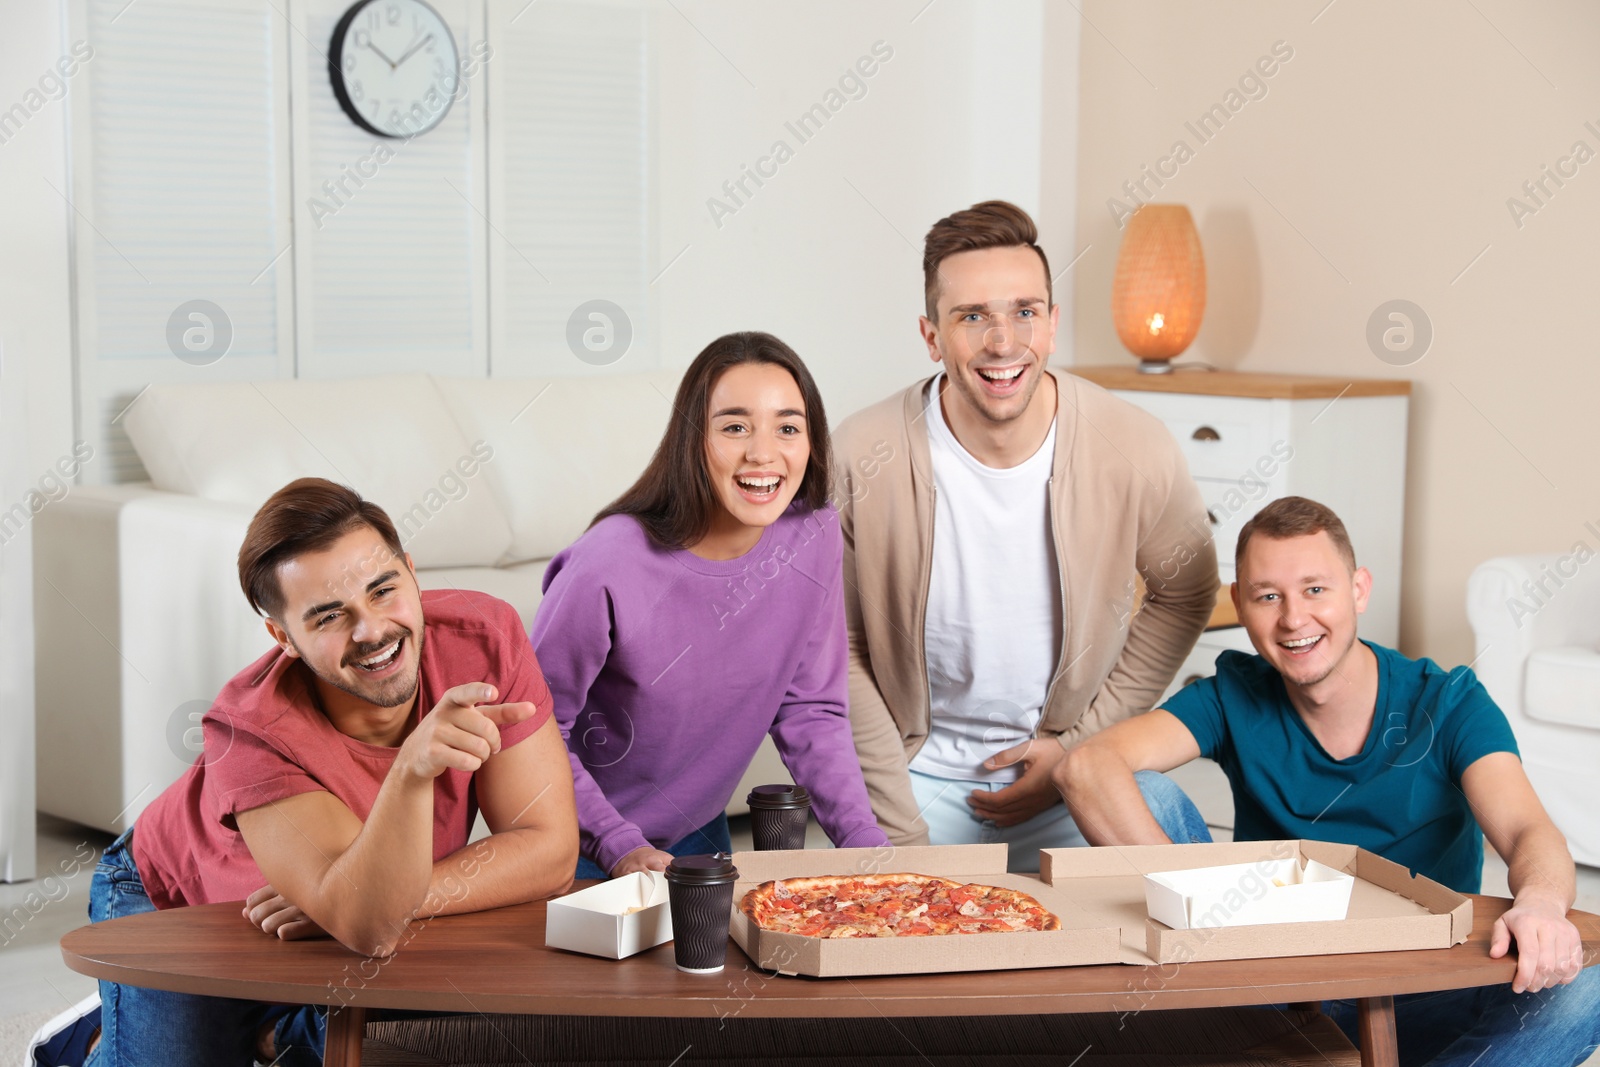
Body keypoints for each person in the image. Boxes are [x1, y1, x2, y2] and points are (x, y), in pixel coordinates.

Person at [38, 479, 578, 1067]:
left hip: (331, 912)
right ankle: (84, 1046)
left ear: (412, 575)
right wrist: (411, 771)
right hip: (178, 899)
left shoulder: (485, 635)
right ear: (283, 637)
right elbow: (370, 925)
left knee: (429, 1022)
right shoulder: (248, 729)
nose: (371, 630)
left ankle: (277, 1029)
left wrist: (356, 899)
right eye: (328, 617)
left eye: (383, 590)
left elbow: (549, 850)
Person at [1056, 495, 1600, 1067]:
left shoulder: (1448, 700)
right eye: (1269, 596)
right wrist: (1197, 909)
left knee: (1588, 986)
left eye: (1316, 589)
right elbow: (1086, 767)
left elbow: (1525, 831)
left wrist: (1539, 903)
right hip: (1273, 989)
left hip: (1427, 990)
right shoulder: (1233, 693)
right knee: (1143, 790)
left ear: (1358, 589)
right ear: (1240, 604)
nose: (1294, 619)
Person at [833, 200, 1218, 871]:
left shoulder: (1132, 443)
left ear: (1052, 324)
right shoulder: (861, 452)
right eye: (972, 316)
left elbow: (1185, 591)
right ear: (931, 336)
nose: (1003, 341)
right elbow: (835, 643)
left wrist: (1079, 748)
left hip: (1065, 781)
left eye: (1024, 312)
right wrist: (900, 838)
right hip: (916, 782)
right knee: (897, 951)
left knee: (1156, 821)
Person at [531, 331, 892, 879]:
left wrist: (863, 840)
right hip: (582, 845)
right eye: (734, 427)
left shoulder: (814, 535)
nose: (763, 453)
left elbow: (810, 709)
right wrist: (618, 845)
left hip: (702, 834)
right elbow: (534, 730)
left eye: (788, 428)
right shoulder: (607, 564)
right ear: (692, 440)